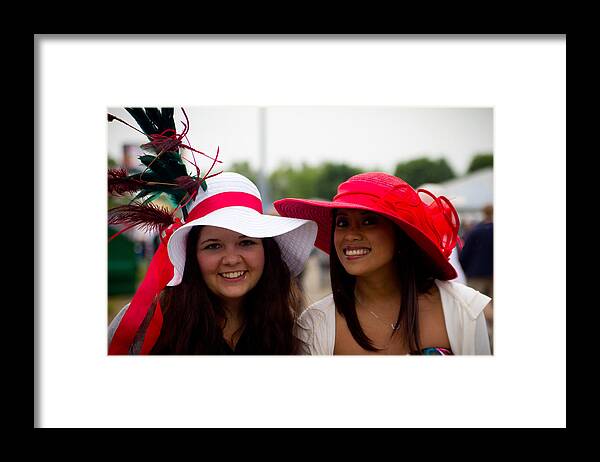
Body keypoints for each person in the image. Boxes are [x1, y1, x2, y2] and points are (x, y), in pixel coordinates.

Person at [274, 172, 491, 355]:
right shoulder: (313, 325)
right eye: (342, 222)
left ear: (401, 234)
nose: (350, 235)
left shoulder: (464, 309)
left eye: (368, 221)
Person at [108, 172, 318, 355]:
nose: (232, 259)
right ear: (191, 256)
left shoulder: (295, 330)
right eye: (213, 246)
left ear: (266, 251)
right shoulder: (143, 325)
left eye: (246, 242)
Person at [458, 203, 494, 349]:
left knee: (476, 308)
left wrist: (464, 268)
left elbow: (465, 253)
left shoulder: (476, 231)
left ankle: (481, 337)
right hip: (492, 274)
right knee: (491, 306)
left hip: (476, 274)